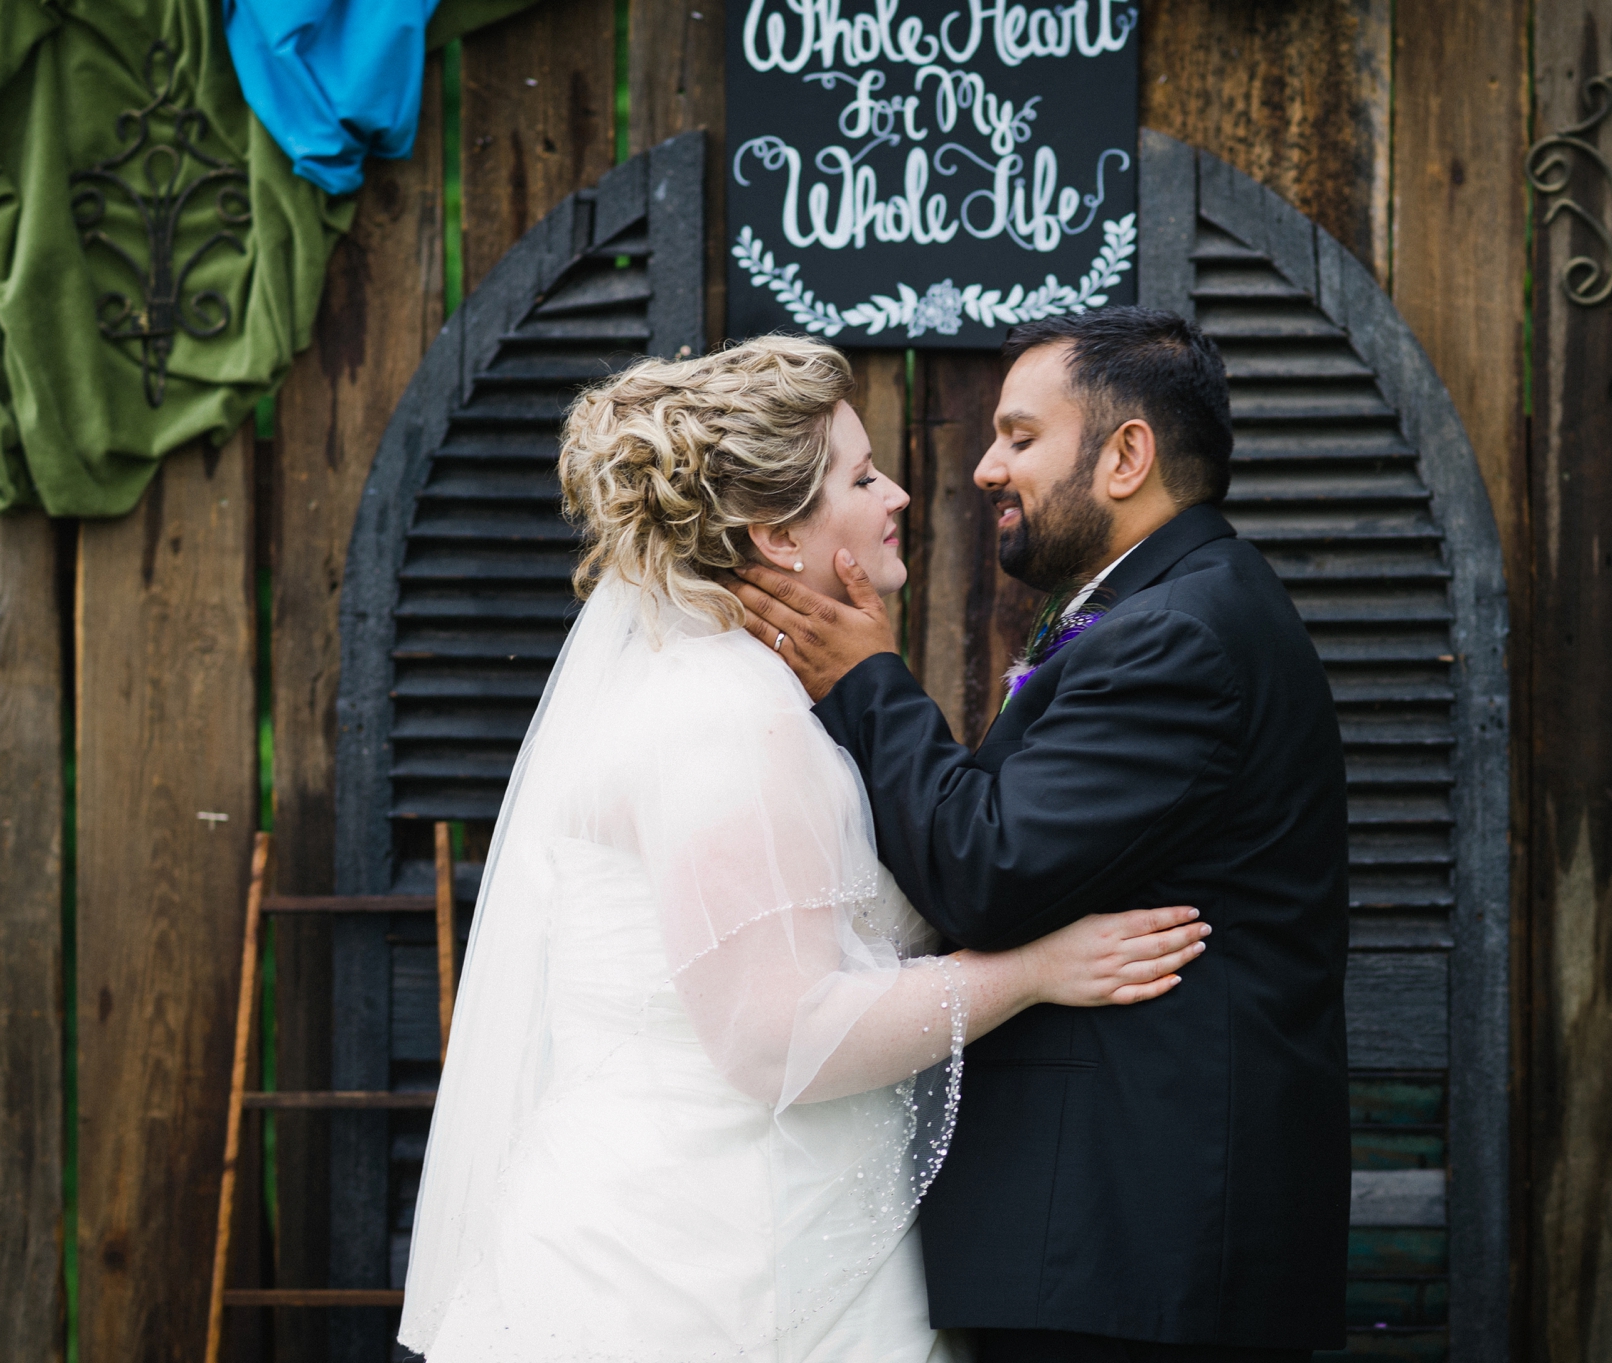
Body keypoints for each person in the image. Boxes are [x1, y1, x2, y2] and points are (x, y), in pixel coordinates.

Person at [397, 335, 1214, 1363]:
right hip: (709, 1266)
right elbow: (775, 1036)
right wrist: (1029, 972)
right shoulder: (724, 718)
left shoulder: (739, 691)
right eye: (862, 476)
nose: (901, 494)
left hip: (768, 1221)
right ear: (777, 536)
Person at [731, 307, 1352, 1363]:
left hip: (1135, 1243)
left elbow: (986, 869)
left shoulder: (1179, 634)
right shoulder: (1161, 606)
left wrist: (868, 681)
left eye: (1019, 435)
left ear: (1126, 454)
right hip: (1123, 1243)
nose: (981, 467)